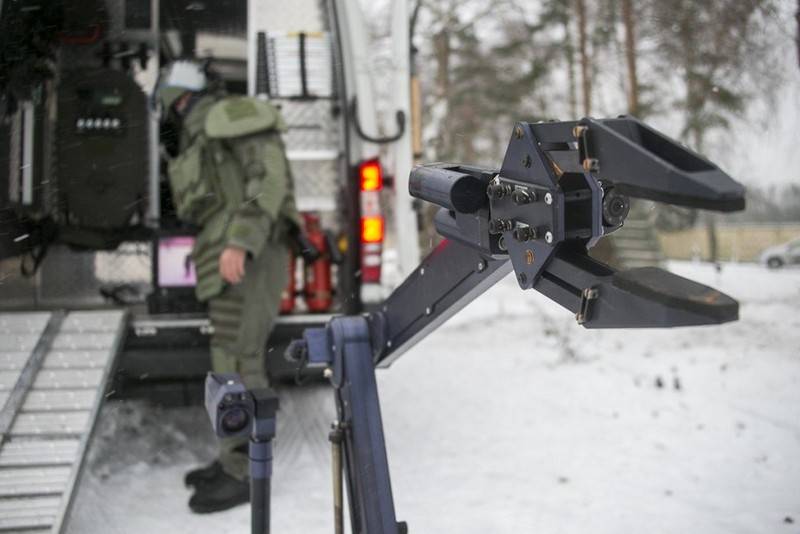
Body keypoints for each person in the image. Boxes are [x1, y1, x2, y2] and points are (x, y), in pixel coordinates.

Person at [157, 61, 300, 514]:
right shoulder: (203, 131)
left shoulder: (231, 116)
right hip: (228, 256)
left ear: (176, 97)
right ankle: (232, 457)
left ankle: (248, 474)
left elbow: (268, 179)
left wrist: (241, 241)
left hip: (251, 254)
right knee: (227, 359)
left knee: (242, 358)